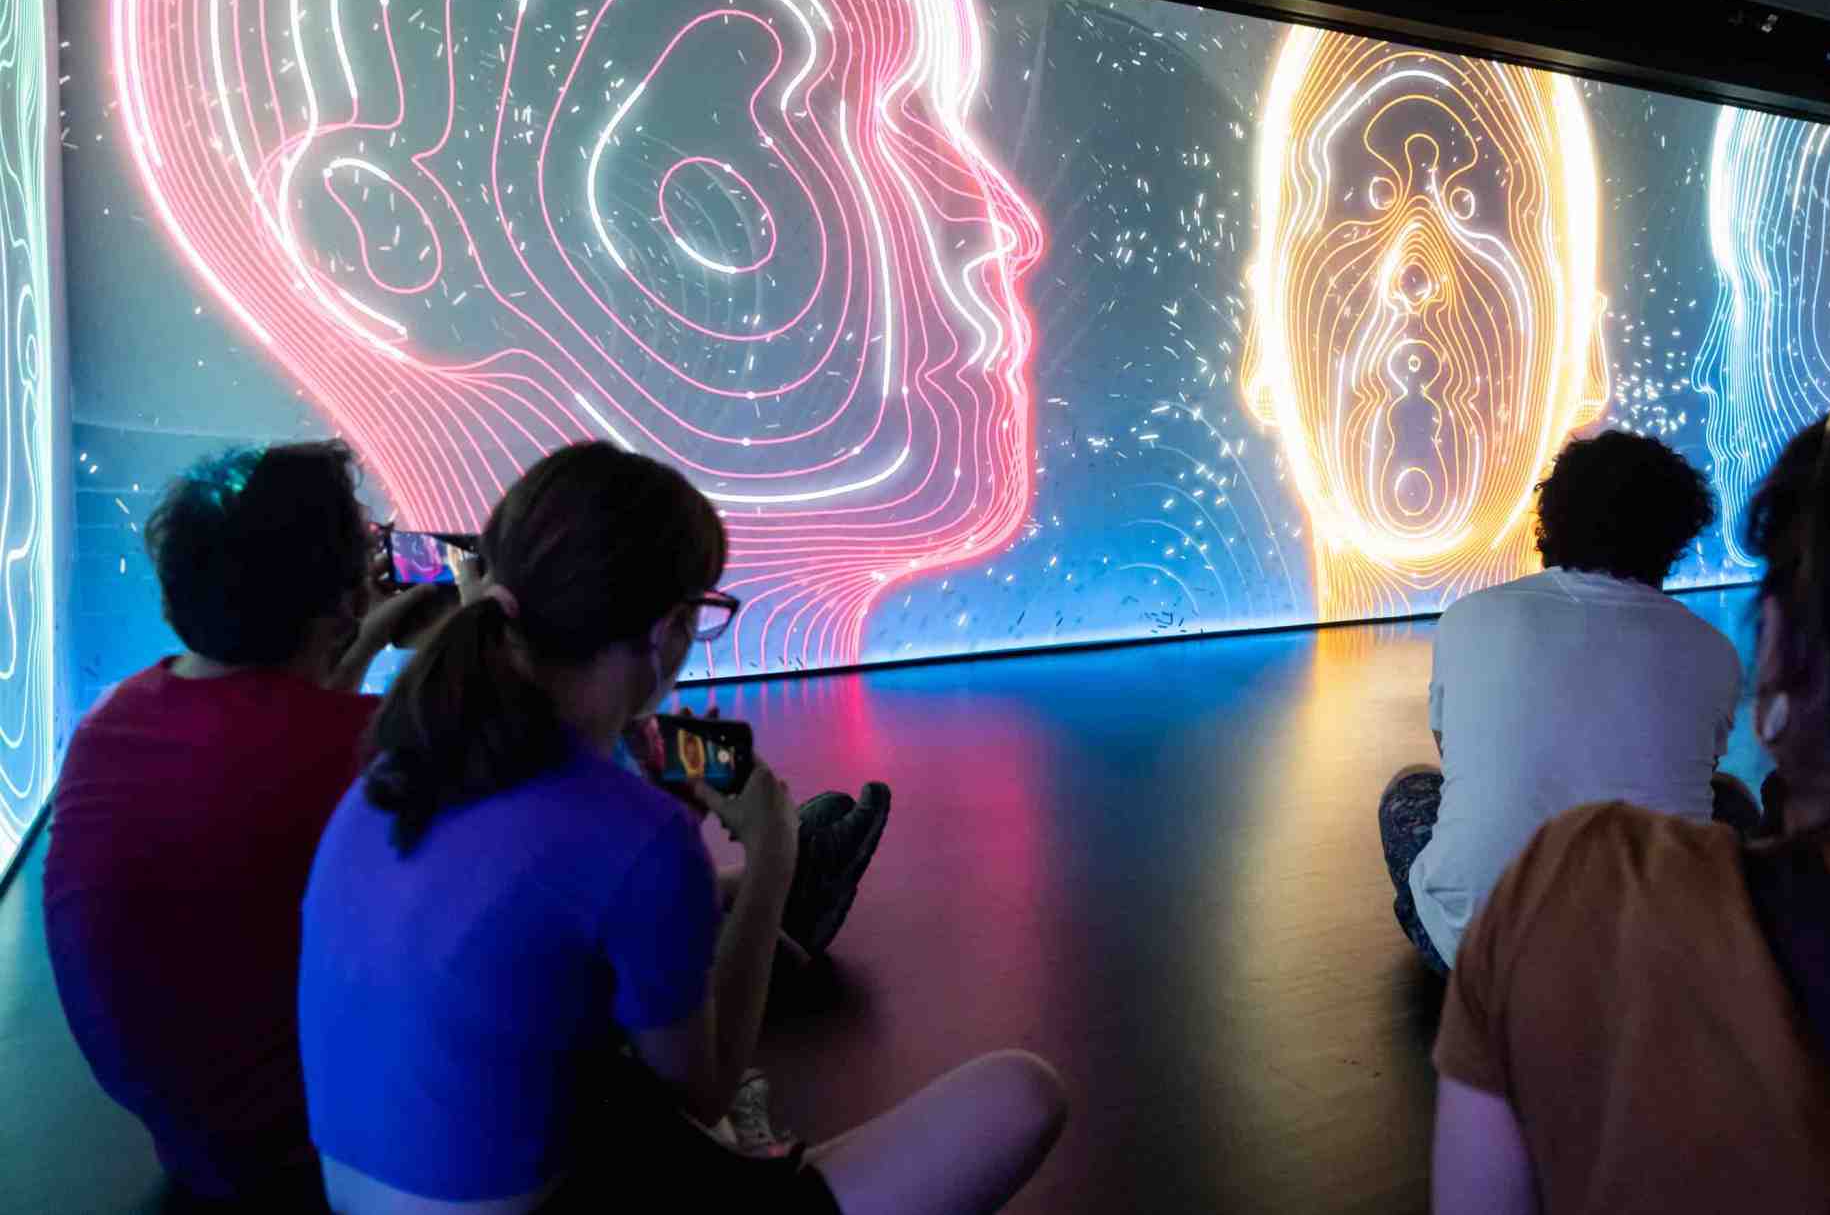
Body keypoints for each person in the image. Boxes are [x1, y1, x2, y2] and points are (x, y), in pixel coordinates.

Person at [299, 442, 1066, 1214]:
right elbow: (703, 1091)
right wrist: (771, 856)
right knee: (1023, 1094)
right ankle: (797, 888)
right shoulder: (634, 832)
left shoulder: (389, 776)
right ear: (667, 631)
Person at [1431, 355, 1830, 1212]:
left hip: (1481, 927)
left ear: (1785, 652)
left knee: (1412, 800)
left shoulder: (1571, 882)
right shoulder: (1705, 653)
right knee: (1719, 793)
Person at [41, 441, 441, 1204]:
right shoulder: (364, 753)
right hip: (314, 1154)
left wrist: (358, 634)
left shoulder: (116, 716)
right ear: (343, 598)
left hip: (185, 1128)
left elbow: (281, 728)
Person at [1379, 429, 1749, 974]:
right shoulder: (1711, 650)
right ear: (1676, 536)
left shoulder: (1471, 617)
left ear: (1551, 520)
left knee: (1410, 789)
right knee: (1731, 801)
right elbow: (1698, 770)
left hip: (1477, 958)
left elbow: (1451, 755)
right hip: (1655, 968)